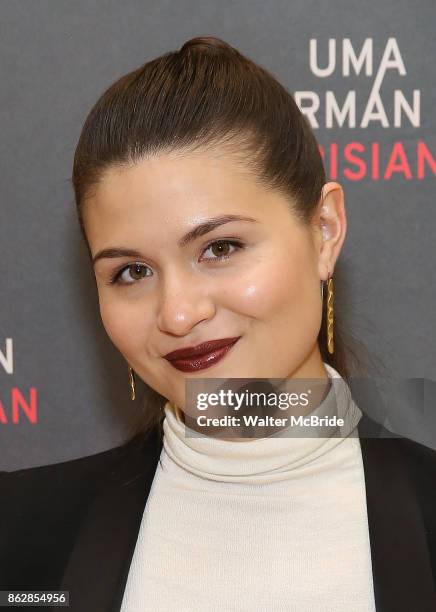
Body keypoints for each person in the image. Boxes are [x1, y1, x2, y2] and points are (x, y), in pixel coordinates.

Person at [1, 36, 435, 612]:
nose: (178, 314)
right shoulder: (23, 537)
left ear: (325, 230)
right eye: (132, 271)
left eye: (220, 247)